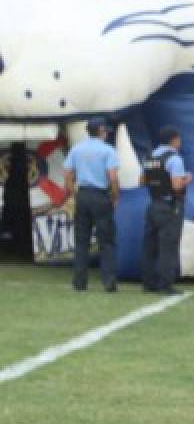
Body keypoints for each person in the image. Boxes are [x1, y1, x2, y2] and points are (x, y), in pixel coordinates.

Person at [62, 116, 119, 292]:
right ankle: (108, 280)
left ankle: (79, 282)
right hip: (100, 196)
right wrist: (115, 197)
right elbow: (112, 177)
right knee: (106, 241)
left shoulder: (77, 149)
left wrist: (73, 192)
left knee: (81, 241)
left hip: (83, 194)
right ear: (101, 130)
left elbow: (67, 174)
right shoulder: (108, 150)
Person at [139, 126, 191, 294]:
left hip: (153, 204)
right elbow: (176, 186)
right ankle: (165, 284)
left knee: (150, 246)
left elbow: (141, 181)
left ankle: (148, 282)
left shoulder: (149, 157)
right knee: (168, 246)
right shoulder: (174, 159)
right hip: (169, 206)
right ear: (174, 140)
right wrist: (187, 179)